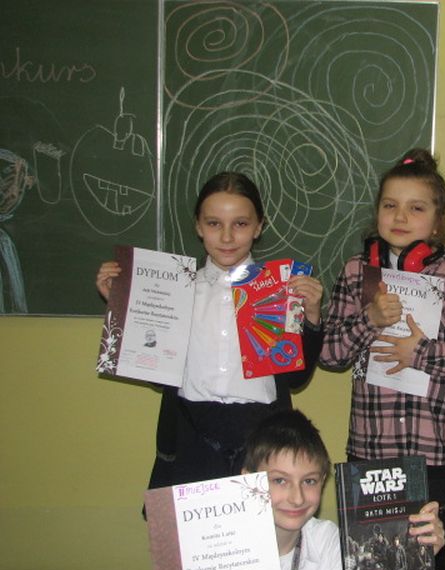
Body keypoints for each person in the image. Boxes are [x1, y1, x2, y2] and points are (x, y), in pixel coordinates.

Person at [320, 148, 445, 570]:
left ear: (438, 222)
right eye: (390, 205)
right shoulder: (357, 272)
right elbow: (328, 354)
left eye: (416, 208)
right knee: (374, 566)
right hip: (371, 446)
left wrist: (423, 353)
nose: (400, 216)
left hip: (435, 450)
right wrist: (369, 319)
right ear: (377, 213)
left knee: (430, 560)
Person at [95, 171, 324, 489]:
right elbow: (158, 376)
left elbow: (296, 380)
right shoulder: (175, 290)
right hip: (191, 435)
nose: (227, 237)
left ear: (259, 226)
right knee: (185, 521)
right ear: (198, 226)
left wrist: (311, 317)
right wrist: (123, 306)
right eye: (214, 223)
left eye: (240, 224)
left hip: (261, 437)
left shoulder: (281, 289)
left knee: (261, 521)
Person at [241, 409, 445, 570]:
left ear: (323, 481)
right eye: (280, 480)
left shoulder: (327, 541)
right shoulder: (226, 545)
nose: (297, 498)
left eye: (309, 481)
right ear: (247, 481)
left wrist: (420, 554)